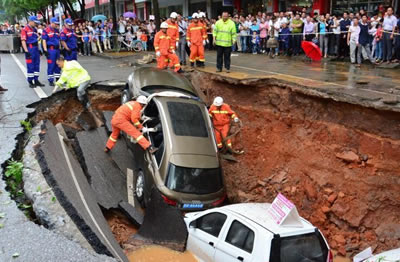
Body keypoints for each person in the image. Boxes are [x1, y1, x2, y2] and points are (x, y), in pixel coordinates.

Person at [21, 16, 44, 88]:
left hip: (35, 48)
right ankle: (30, 81)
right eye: (35, 22)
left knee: (37, 65)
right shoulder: (25, 29)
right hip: (29, 48)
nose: (36, 24)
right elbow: (23, 41)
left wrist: (39, 49)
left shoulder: (34, 29)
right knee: (30, 66)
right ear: (30, 21)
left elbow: (37, 39)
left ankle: (36, 80)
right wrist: (26, 51)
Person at [42, 17, 61, 87]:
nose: (56, 25)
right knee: (51, 65)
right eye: (55, 24)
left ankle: (58, 79)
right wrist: (45, 50)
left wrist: (60, 48)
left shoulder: (57, 30)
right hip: (51, 50)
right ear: (52, 23)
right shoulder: (46, 30)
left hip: (57, 50)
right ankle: (50, 80)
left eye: (57, 24)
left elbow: (58, 40)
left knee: (58, 64)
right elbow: (44, 40)